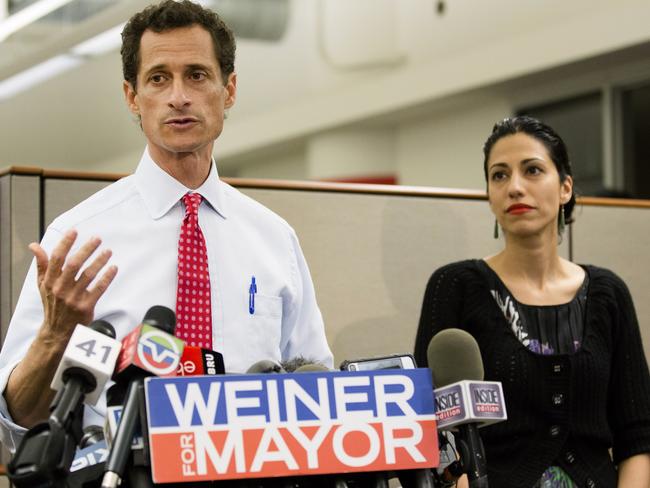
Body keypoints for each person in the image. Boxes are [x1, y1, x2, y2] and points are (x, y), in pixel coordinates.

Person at [0, 0, 332, 451]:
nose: (179, 96)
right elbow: (19, 420)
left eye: (196, 74)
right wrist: (56, 334)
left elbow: (320, 391)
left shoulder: (275, 240)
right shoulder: (76, 239)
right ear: (132, 97)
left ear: (228, 89)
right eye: (159, 78)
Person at [414, 115, 650, 487]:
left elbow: (638, 436)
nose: (515, 187)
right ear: (490, 195)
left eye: (533, 170)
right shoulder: (455, 286)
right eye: (500, 175)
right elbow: (432, 426)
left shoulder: (608, 293)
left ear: (565, 188)